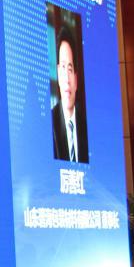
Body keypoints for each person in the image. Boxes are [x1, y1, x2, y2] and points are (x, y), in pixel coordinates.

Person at [51, 26, 89, 164]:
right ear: (57, 73)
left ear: (76, 79)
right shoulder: (50, 123)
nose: (67, 79)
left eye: (70, 69)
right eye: (63, 68)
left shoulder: (85, 124)